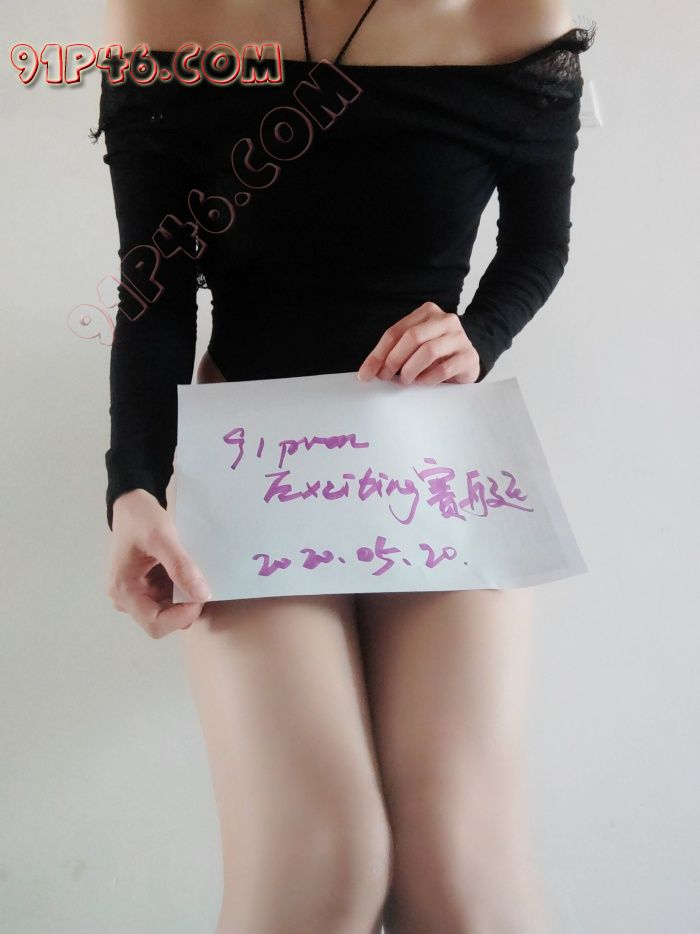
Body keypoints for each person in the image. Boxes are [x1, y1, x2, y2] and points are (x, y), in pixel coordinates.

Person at [93, 1, 596, 930]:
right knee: (323, 861)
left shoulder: (515, 11)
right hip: (248, 458)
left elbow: (539, 241)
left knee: (458, 873)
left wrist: (477, 334)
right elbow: (153, 286)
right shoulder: (162, 12)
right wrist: (133, 484)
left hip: (432, 460)